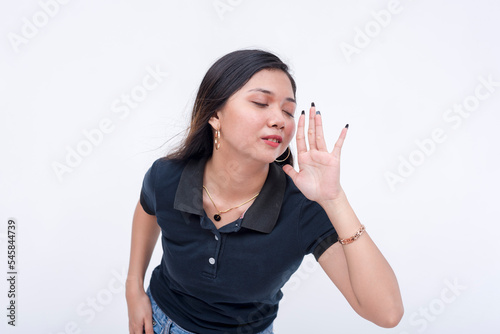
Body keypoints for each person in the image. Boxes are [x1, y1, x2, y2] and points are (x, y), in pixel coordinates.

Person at [126, 49, 404, 334]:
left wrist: (334, 200)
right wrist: (133, 287)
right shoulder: (167, 175)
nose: (279, 120)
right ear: (214, 115)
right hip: (161, 323)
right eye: (261, 103)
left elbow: (386, 313)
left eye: (288, 111)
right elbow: (148, 209)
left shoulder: (301, 207)